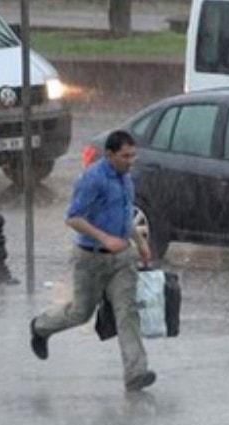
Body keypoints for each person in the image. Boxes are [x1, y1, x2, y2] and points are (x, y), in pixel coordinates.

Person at [29, 130, 156, 393]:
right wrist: (105, 238)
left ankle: (136, 373)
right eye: (125, 156)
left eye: (133, 155)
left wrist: (141, 243)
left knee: (127, 313)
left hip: (122, 259)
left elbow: (124, 214)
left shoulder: (125, 178)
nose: (130, 161)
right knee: (80, 312)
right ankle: (41, 327)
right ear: (109, 155)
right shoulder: (93, 179)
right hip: (90, 259)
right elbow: (73, 217)